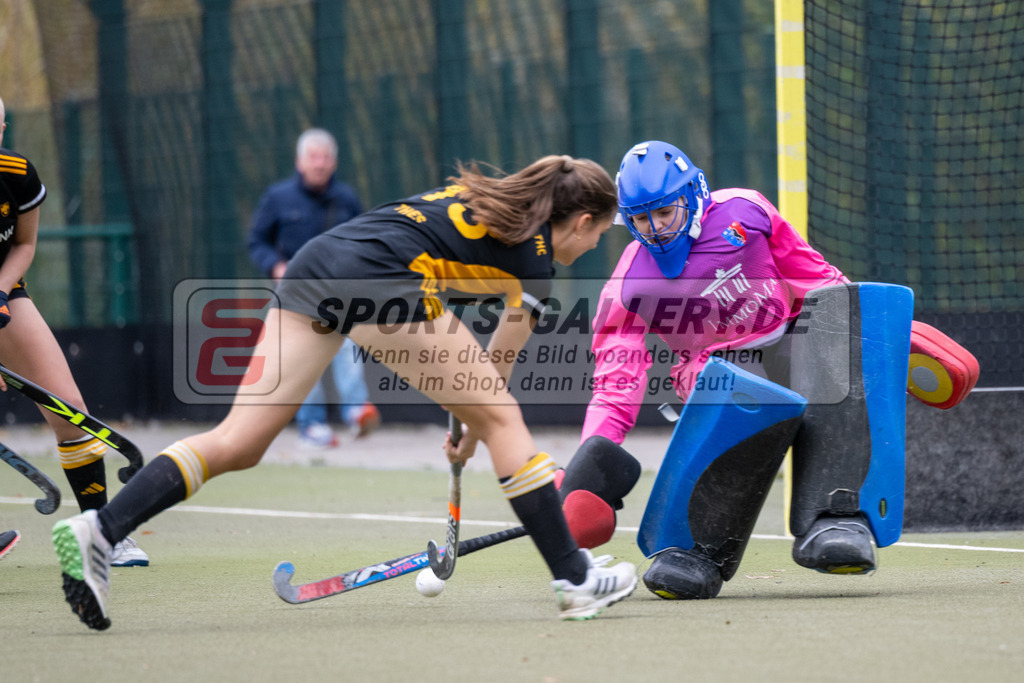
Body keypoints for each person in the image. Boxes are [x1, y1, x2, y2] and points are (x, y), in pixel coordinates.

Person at [52, 153, 638, 631]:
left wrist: (469, 422)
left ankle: (101, 529)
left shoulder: (486, 206)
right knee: (507, 421)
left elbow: (476, 381)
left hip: (316, 267)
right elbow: (497, 371)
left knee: (240, 440)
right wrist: (476, 427)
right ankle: (575, 580)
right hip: (381, 281)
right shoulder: (535, 260)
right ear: (582, 220)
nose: (593, 247)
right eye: (600, 233)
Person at [579, 140, 977, 600]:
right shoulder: (628, 283)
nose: (655, 229)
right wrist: (594, 463)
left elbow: (822, 285)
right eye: (641, 219)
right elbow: (617, 378)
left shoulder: (746, 213)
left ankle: (837, 518)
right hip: (714, 373)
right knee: (735, 398)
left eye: (664, 212)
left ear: (693, 195)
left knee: (837, 348)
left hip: (787, 345)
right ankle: (694, 551)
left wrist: (885, 340)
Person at [0, 97, 148, 568]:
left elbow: (23, 244)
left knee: (69, 408)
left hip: (2, 292)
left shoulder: (17, 174)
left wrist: (0, 291)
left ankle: (101, 533)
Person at [247, 128, 380, 448]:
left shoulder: (346, 199)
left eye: (325, 158)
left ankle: (356, 412)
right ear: (300, 162)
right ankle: (311, 424)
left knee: (349, 346)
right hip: (294, 293)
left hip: (339, 291)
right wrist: (275, 266)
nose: (319, 164)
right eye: (313, 157)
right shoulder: (277, 197)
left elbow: (361, 241)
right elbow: (256, 241)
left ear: (333, 164)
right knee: (303, 356)